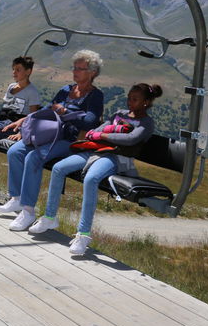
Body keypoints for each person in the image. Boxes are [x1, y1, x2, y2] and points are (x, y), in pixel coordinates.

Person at [28, 83, 163, 255]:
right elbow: (99, 128)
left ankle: (83, 235)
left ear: (145, 102)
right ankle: (49, 217)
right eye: (129, 98)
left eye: (135, 100)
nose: (130, 102)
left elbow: (130, 139)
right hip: (95, 150)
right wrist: (98, 133)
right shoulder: (119, 114)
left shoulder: (146, 122)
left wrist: (104, 135)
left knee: (91, 179)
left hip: (115, 156)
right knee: (59, 168)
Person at [0, 50, 105, 232]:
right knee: (15, 152)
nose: (75, 71)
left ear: (93, 72)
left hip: (70, 140)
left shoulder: (95, 96)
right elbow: (49, 109)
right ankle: (16, 198)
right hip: (50, 134)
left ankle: (28, 210)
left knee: (33, 157)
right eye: (75, 67)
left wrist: (64, 113)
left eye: (81, 69)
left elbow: (90, 121)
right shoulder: (66, 90)